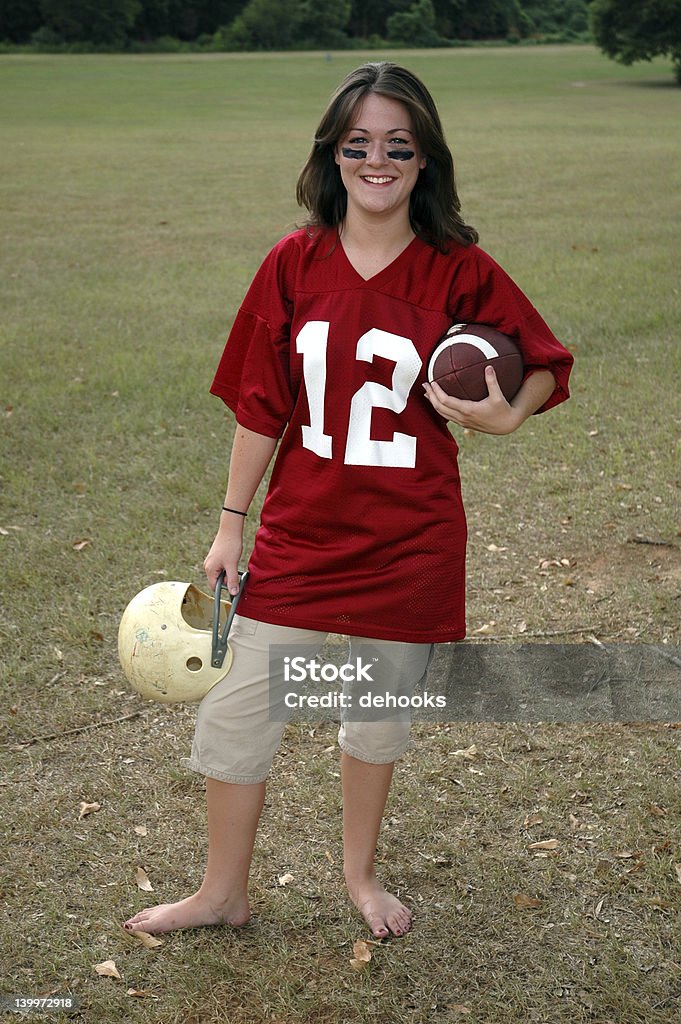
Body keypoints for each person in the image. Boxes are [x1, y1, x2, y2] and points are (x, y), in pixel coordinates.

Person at [124, 61, 573, 940]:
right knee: (240, 701)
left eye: (397, 146)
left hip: (410, 536)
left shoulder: (459, 270)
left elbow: (545, 360)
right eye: (358, 144)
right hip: (302, 532)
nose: (378, 160)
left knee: (374, 714)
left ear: (423, 158)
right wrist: (228, 524)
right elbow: (262, 402)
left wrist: (503, 416)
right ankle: (221, 892)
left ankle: (359, 876)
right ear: (332, 155)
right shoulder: (293, 263)